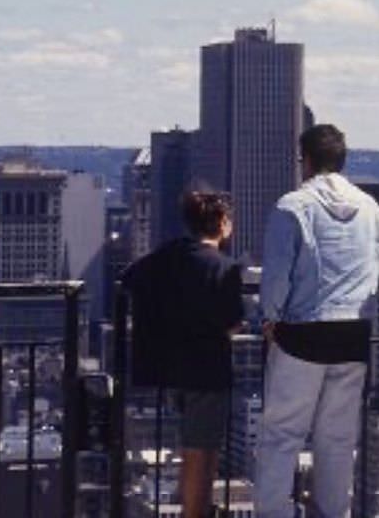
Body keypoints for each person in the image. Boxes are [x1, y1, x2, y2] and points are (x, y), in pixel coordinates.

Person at [255, 124, 379, 518]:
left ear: (307, 160)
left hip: (302, 331)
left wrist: (270, 318)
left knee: (282, 434)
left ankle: (274, 513)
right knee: (337, 437)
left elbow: (277, 275)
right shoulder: (372, 208)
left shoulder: (293, 206)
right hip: (354, 333)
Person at [121, 191, 243, 518]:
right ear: (221, 222)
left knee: (191, 446)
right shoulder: (224, 268)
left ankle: (196, 509)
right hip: (207, 370)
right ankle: (195, 513)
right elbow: (232, 324)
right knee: (202, 450)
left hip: (166, 369)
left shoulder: (165, 257)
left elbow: (129, 279)